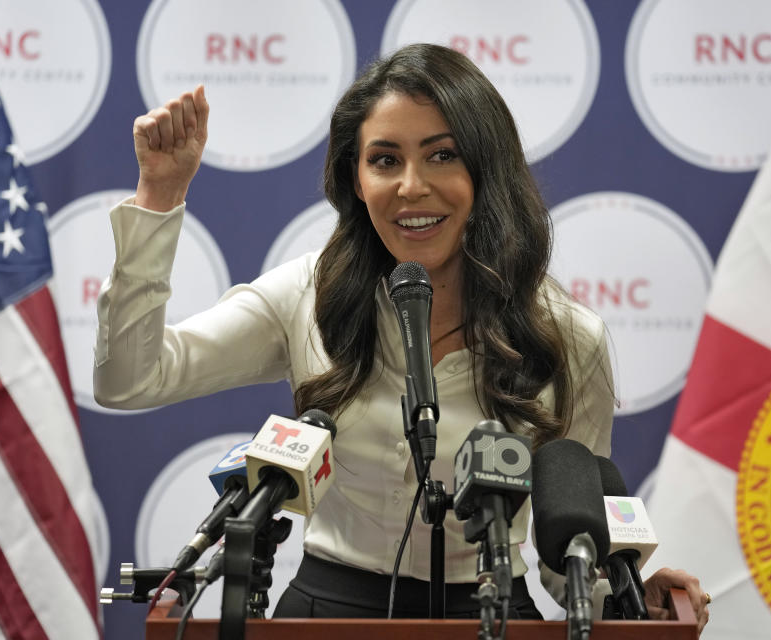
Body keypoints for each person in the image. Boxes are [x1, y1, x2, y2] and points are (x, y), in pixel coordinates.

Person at [93, 43, 710, 631]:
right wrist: (160, 198)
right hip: (325, 614)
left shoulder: (569, 338)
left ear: (486, 171)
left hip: (493, 615)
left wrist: (627, 599)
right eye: (385, 160)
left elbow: (562, 547)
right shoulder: (306, 294)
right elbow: (130, 379)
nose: (412, 186)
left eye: (442, 155)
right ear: (357, 181)